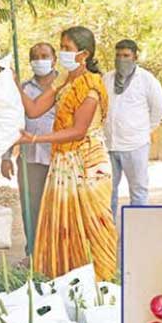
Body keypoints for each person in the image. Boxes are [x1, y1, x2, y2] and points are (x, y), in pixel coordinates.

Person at [17, 26, 117, 282]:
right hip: (63, 162)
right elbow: (34, 110)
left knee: (91, 227)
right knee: (63, 228)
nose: (62, 53)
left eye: (67, 49)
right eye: (61, 47)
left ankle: (100, 286)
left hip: (87, 164)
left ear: (83, 54)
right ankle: (68, 284)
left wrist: (37, 138)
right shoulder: (64, 82)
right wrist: (13, 84)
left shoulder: (91, 85)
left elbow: (78, 131)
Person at [0, 43, 58, 255]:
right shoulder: (23, 89)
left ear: (54, 59)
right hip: (29, 159)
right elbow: (12, 123)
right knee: (30, 209)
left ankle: (54, 254)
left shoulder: (64, 86)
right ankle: (32, 252)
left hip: (58, 160)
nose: (40, 60)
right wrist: (6, 157)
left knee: (57, 209)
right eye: (35, 56)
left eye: (44, 55)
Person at [103, 39, 162, 221]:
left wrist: (145, 129)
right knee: (107, 192)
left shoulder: (146, 80)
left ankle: (137, 231)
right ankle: (108, 233)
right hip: (109, 145)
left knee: (138, 191)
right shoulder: (107, 78)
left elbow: (159, 108)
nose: (121, 59)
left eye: (126, 55)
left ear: (135, 57)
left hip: (135, 145)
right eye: (118, 55)